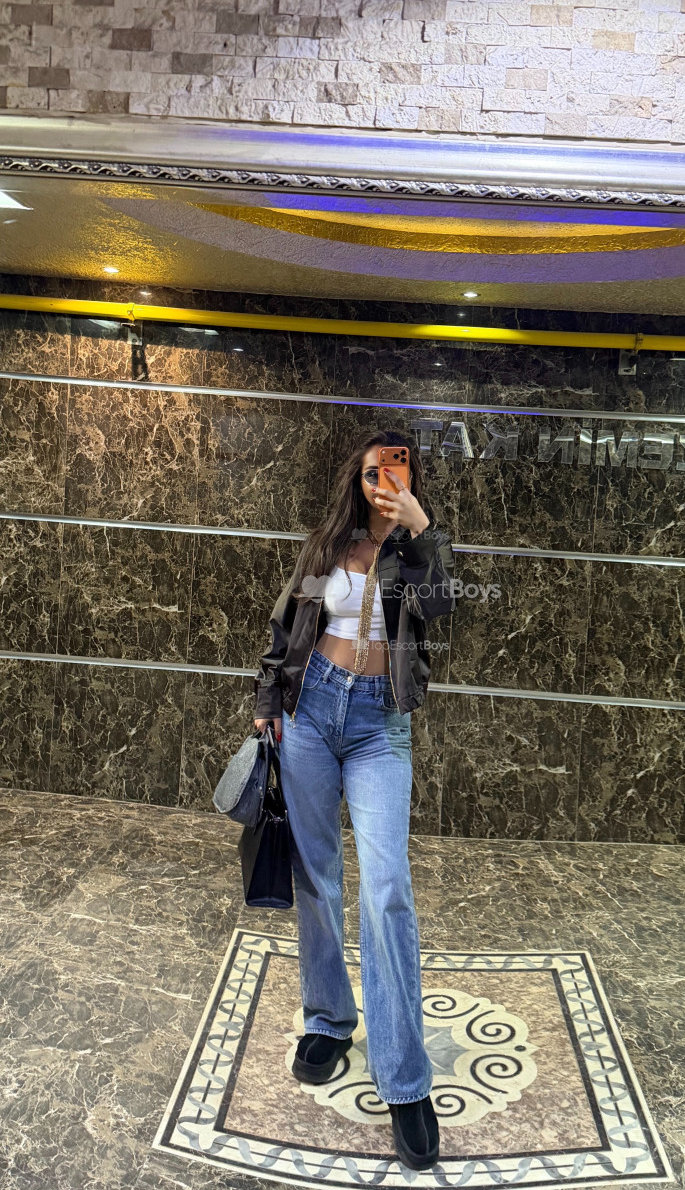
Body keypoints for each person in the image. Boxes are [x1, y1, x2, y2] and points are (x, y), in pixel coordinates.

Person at [253, 429, 456, 1171]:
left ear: (411, 479)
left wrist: (421, 530)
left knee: (387, 887)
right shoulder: (326, 546)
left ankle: (404, 1078)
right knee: (316, 874)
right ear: (358, 478)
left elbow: (442, 607)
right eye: (373, 472)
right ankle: (328, 1019)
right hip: (310, 711)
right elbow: (288, 626)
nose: (383, 482)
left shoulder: (418, 547)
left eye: (396, 472)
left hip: (379, 725)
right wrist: (267, 699)